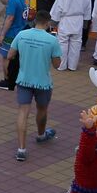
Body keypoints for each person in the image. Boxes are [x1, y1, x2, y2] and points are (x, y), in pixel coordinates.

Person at [6, 10, 62, 161]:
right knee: (42, 109)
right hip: (43, 83)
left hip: (24, 79)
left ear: (34, 21)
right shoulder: (52, 40)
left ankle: (21, 149)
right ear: (48, 23)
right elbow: (57, 65)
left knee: (23, 112)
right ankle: (41, 134)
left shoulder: (22, 35)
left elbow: (10, 55)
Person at [0, 0, 31, 91]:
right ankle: (17, 78)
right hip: (22, 31)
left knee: (6, 58)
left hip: (12, 34)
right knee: (17, 58)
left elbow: (10, 18)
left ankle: (7, 81)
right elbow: (7, 1)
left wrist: (2, 35)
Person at [50, 0, 91, 71]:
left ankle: (61, 65)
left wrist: (54, 21)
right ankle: (73, 65)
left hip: (66, 18)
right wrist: (86, 21)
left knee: (62, 42)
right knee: (76, 42)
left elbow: (58, 7)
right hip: (79, 19)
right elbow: (88, 7)